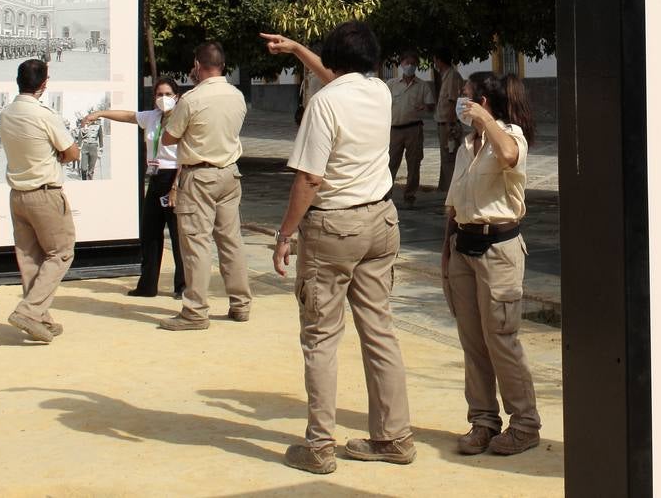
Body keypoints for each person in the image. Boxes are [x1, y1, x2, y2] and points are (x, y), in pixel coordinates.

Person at [263, 24, 414, 475]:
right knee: (379, 330)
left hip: (334, 227)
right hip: (381, 220)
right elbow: (339, 79)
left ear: (333, 59)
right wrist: (297, 50)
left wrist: (285, 233)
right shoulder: (380, 92)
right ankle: (394, 436)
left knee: (321, 336)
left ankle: (319, 446)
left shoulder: (323, 103)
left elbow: (309, 179)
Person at [442, 71, 541, 456]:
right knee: (473, 341)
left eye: (465, 96)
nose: (459, 103)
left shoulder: (509, 136)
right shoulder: (468, 143)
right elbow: (454, 201)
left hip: (499, 251)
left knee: (501, 339)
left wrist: (486, 121)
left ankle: (525, 424)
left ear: (483, 102)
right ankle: (483, 420)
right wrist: (445, 248)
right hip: (463, 248)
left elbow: (509, 156)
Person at [159, 41, 251, 330]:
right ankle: (240, 303)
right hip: (229, 173)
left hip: (199, 176)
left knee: (196, 242)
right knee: (230, 241)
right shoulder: (237, 95)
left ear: (197, 66)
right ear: (222, 65)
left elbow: (169, 138)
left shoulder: (191, 99)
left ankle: (195, 310)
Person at [0, 59, 80, 343]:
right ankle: (31, 311)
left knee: (30, 257)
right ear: (44, 84)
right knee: (61, 253)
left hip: (18, 193)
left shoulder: (6, 113)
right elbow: (72, 152)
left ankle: (40, 316)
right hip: (44, 192)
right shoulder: (44, 114)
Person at [82, 76, 186, 298]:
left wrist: (176, 186)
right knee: (150, 232)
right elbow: (128, 116)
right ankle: (147, 285)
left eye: (168, 94)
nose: (164, 98)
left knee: (178, 235)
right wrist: (100, 114)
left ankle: (183, 286)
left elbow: (186, 156)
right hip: (155, 177)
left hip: (174, 177)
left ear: (177, 97)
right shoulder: (152, 117)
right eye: (160, 94)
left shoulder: (182, 118)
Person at [387, 50, 431, 208]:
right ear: (401, 64)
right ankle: (385, 195)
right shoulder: (391, 84)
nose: (410, 66)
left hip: (414, 129)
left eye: (413, 63)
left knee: (414, 164)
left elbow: (430, 105)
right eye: (407, 63)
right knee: (390, 163)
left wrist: (425, 106)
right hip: (394, 129)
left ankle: (409, 197)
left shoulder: (423, 85)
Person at [432, 48, 464, 193]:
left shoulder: (452, 76)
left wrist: (451, 127)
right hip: (443, 122)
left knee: (449, 158)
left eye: (435, 60)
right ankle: (444, 188)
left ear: (439, 61)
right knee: (445, 157)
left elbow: (452, 102)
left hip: (448, 123)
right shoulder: (445, 76)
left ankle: (453, 191)